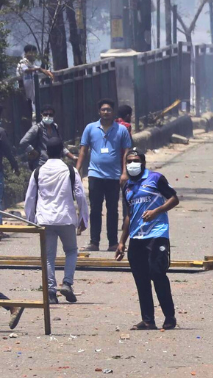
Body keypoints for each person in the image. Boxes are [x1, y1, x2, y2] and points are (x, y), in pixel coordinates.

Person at [115, 149, 180, 329]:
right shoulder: (127, 186)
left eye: (135, 161)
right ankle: (148, 320)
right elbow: (129, 214)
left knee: (157, 274)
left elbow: (174, 199)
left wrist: (156, 211)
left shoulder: (156, 179)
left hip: (157, 234)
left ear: (142, 163)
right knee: (141, 279)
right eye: (129, 161)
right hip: (137, 237)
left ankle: (169, 316)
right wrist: (122, 241)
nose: (132, 164)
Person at [24, 139, 88, 304]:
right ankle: (67, 283)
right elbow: (80, 195)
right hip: (65, 218)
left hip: (45, 219)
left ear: (46, 151)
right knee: (72, 251)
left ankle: (51, 292)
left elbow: (30, 197)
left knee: (48, 256)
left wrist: (30, 220)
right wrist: (83, 219)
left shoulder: (38, 171)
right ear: (61, 151)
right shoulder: (70, 170)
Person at [77, 98, 133, 252]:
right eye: (103, 109)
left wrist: (124, 172)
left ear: (113, 112)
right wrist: (77, 171)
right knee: (95, 209)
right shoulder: (90, 128)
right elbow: (83, 150)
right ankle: (94, 242)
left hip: (114, 176)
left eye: (109, 109)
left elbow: (126, 152)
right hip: (95, 175)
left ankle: (113, 242)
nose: (106, 112)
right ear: (98, 111)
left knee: (113, 210)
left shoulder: (121, 130)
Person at [16, 44, 52, 118]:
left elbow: (37, 68)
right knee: (27, 112)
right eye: (33, 53)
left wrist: (46, 72)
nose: (34, 55)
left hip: (32, 92)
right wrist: (38, 69)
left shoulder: (31, 63)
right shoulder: (22, 63)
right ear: (27, 53)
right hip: (23, 91)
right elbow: (26, 70)